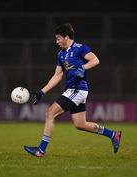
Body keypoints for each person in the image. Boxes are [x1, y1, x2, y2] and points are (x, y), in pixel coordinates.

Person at [24, 23, 122, 157]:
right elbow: (57, 75)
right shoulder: (61, 54)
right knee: (80, 124)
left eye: (58, 38)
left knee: (49, 113)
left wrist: (83, 68)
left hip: (78, 89)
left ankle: (40, 150)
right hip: (72, 90)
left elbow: (95, 60)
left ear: (66, 37)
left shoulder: (80, 48)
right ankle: (113, 134)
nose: (56, 41)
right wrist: (42, 91)